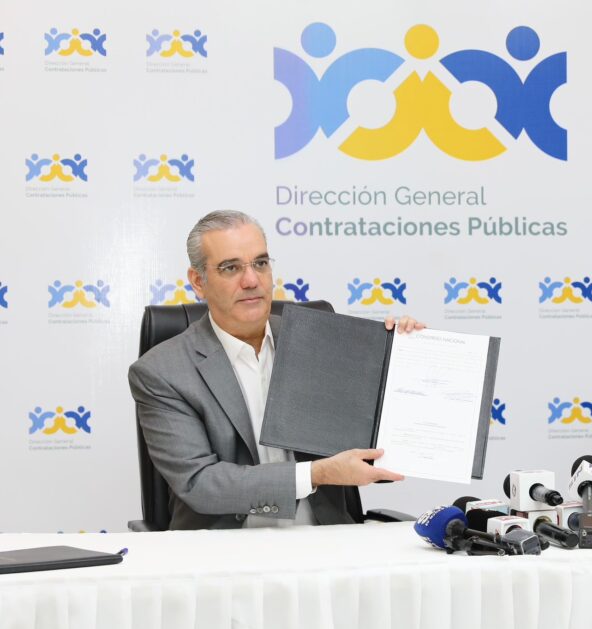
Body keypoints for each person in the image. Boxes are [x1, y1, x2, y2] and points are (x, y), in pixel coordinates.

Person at [128, 210, 424, 529]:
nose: (251, 280)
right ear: (199, 282)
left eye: (260, 263)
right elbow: (200, 484)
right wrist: (315, 474)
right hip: (223, 548)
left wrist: (405, 362)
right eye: (231, 268)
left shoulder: (320, 344)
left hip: (327, 540)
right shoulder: (162, 372)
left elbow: (376, 450)